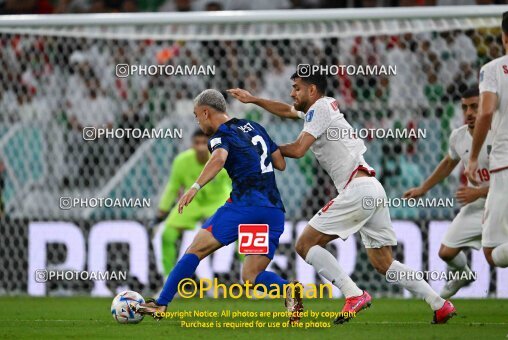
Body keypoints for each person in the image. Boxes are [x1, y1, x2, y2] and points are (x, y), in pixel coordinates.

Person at [228, 72, 456, 324]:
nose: (292, 93)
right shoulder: (320, 110)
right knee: (383, 263)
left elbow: (298, 149)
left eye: (296, 88)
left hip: (356, 190)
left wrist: (261, 148)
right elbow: (286, 110)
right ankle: (440, 303)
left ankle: (353, 294)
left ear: (312, 90)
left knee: (304, 244)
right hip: (371, 188)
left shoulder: (320, 108)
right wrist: (253, 100)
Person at [137, 89, 303, 323]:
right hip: (272, 211)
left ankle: (161, 303)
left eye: (196, 116)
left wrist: (195, 186)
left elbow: (218, 159)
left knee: (195, 250)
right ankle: (288, 290)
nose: (197, 121)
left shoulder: (219, 136)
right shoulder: (254, 127)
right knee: (251, 275)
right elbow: (280, 164)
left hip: (244, 206)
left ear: (206, 112)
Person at [404, 87, 490, 298]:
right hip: (478, 203)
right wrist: (423, 188)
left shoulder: (501, 135)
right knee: (446, 252)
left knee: (500, 256)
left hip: (502, 203)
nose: (468, 112)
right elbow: (448, 163)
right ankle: (463, 274)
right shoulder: (458, 136)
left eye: (474, 107)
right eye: (464, 107)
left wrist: (477, 193)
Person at [466, 11, 508, 268]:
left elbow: (485, 111)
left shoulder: (493, 69)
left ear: (504, 36)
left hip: (505, 163)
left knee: (492, 251)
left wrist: (473, 158)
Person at [154, 129, 231, 276]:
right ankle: (169, 279)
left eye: (204, 143)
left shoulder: (221, 158)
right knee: (167, 234)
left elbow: (232, 183)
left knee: (241, 232)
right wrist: (162, 211)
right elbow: (173, 186)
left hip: (218, 200)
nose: (201, 147)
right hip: (192, 202)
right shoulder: (181, 161)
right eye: (197, 143)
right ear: (192, 145)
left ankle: (250, 280)